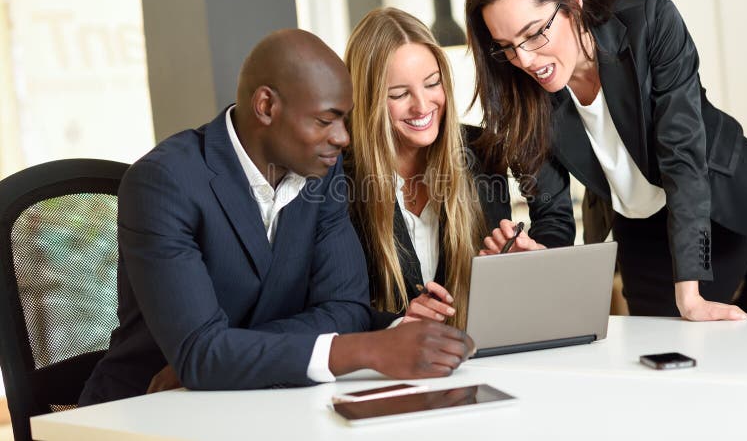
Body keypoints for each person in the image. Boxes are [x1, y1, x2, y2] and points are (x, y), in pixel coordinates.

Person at [79, 29, 475, 406]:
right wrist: (365, 348)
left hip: (262, 402)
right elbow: (201, 353)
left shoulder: (323, 171)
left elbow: (345, 308)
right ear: (266, 106)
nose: (343, 138)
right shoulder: (164, 183)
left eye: (344, 119)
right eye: (325, 120)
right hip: (149, 409)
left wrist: (228, 355)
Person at [465, 0, 747, 320]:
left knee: (688, 327)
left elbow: (682, 156)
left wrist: (691, 297)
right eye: (506, 46)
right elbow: (553, 212)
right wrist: (540, 255)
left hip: (711, 202)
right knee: (652, 340)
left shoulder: (649, 20)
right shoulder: (519, 91)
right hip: (634, 219)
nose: (525, 60)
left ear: (572, 3)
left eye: (534, 34)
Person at [343, 7, 575, 331]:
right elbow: (328, 309)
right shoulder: (338, 179)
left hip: (477, 360)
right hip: (382, 372)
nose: (423, 106)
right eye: (399, 94)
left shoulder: (482, 153)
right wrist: (395, 325)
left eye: (432, 83)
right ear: (368, 100)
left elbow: (552, 216)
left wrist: (518, 267)